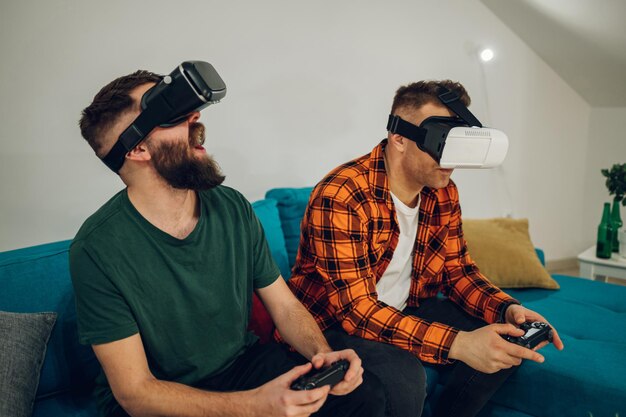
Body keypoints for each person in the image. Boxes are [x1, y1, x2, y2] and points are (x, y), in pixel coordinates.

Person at [70, 68, 386, 417]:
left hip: (240, 366)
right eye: (172, 116)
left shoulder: (231, 206)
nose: (195, 117)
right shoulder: (96, 249)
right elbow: (136, 393)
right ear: (139, 148)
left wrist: (321, 355)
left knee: (364, 397)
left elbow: (284, 306)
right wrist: (254, 407)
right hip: (162, 398)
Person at [287, 80, 565, 417]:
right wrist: (459, 344)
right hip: (333, 322)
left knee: (507, 339)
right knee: (406, 377)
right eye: (440, 141)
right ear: (399, 137)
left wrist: (506, 308)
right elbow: (357, 311)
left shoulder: (443, 192)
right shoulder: (343, 194)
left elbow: (458, 270)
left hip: (406, 307)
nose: (450, 159)